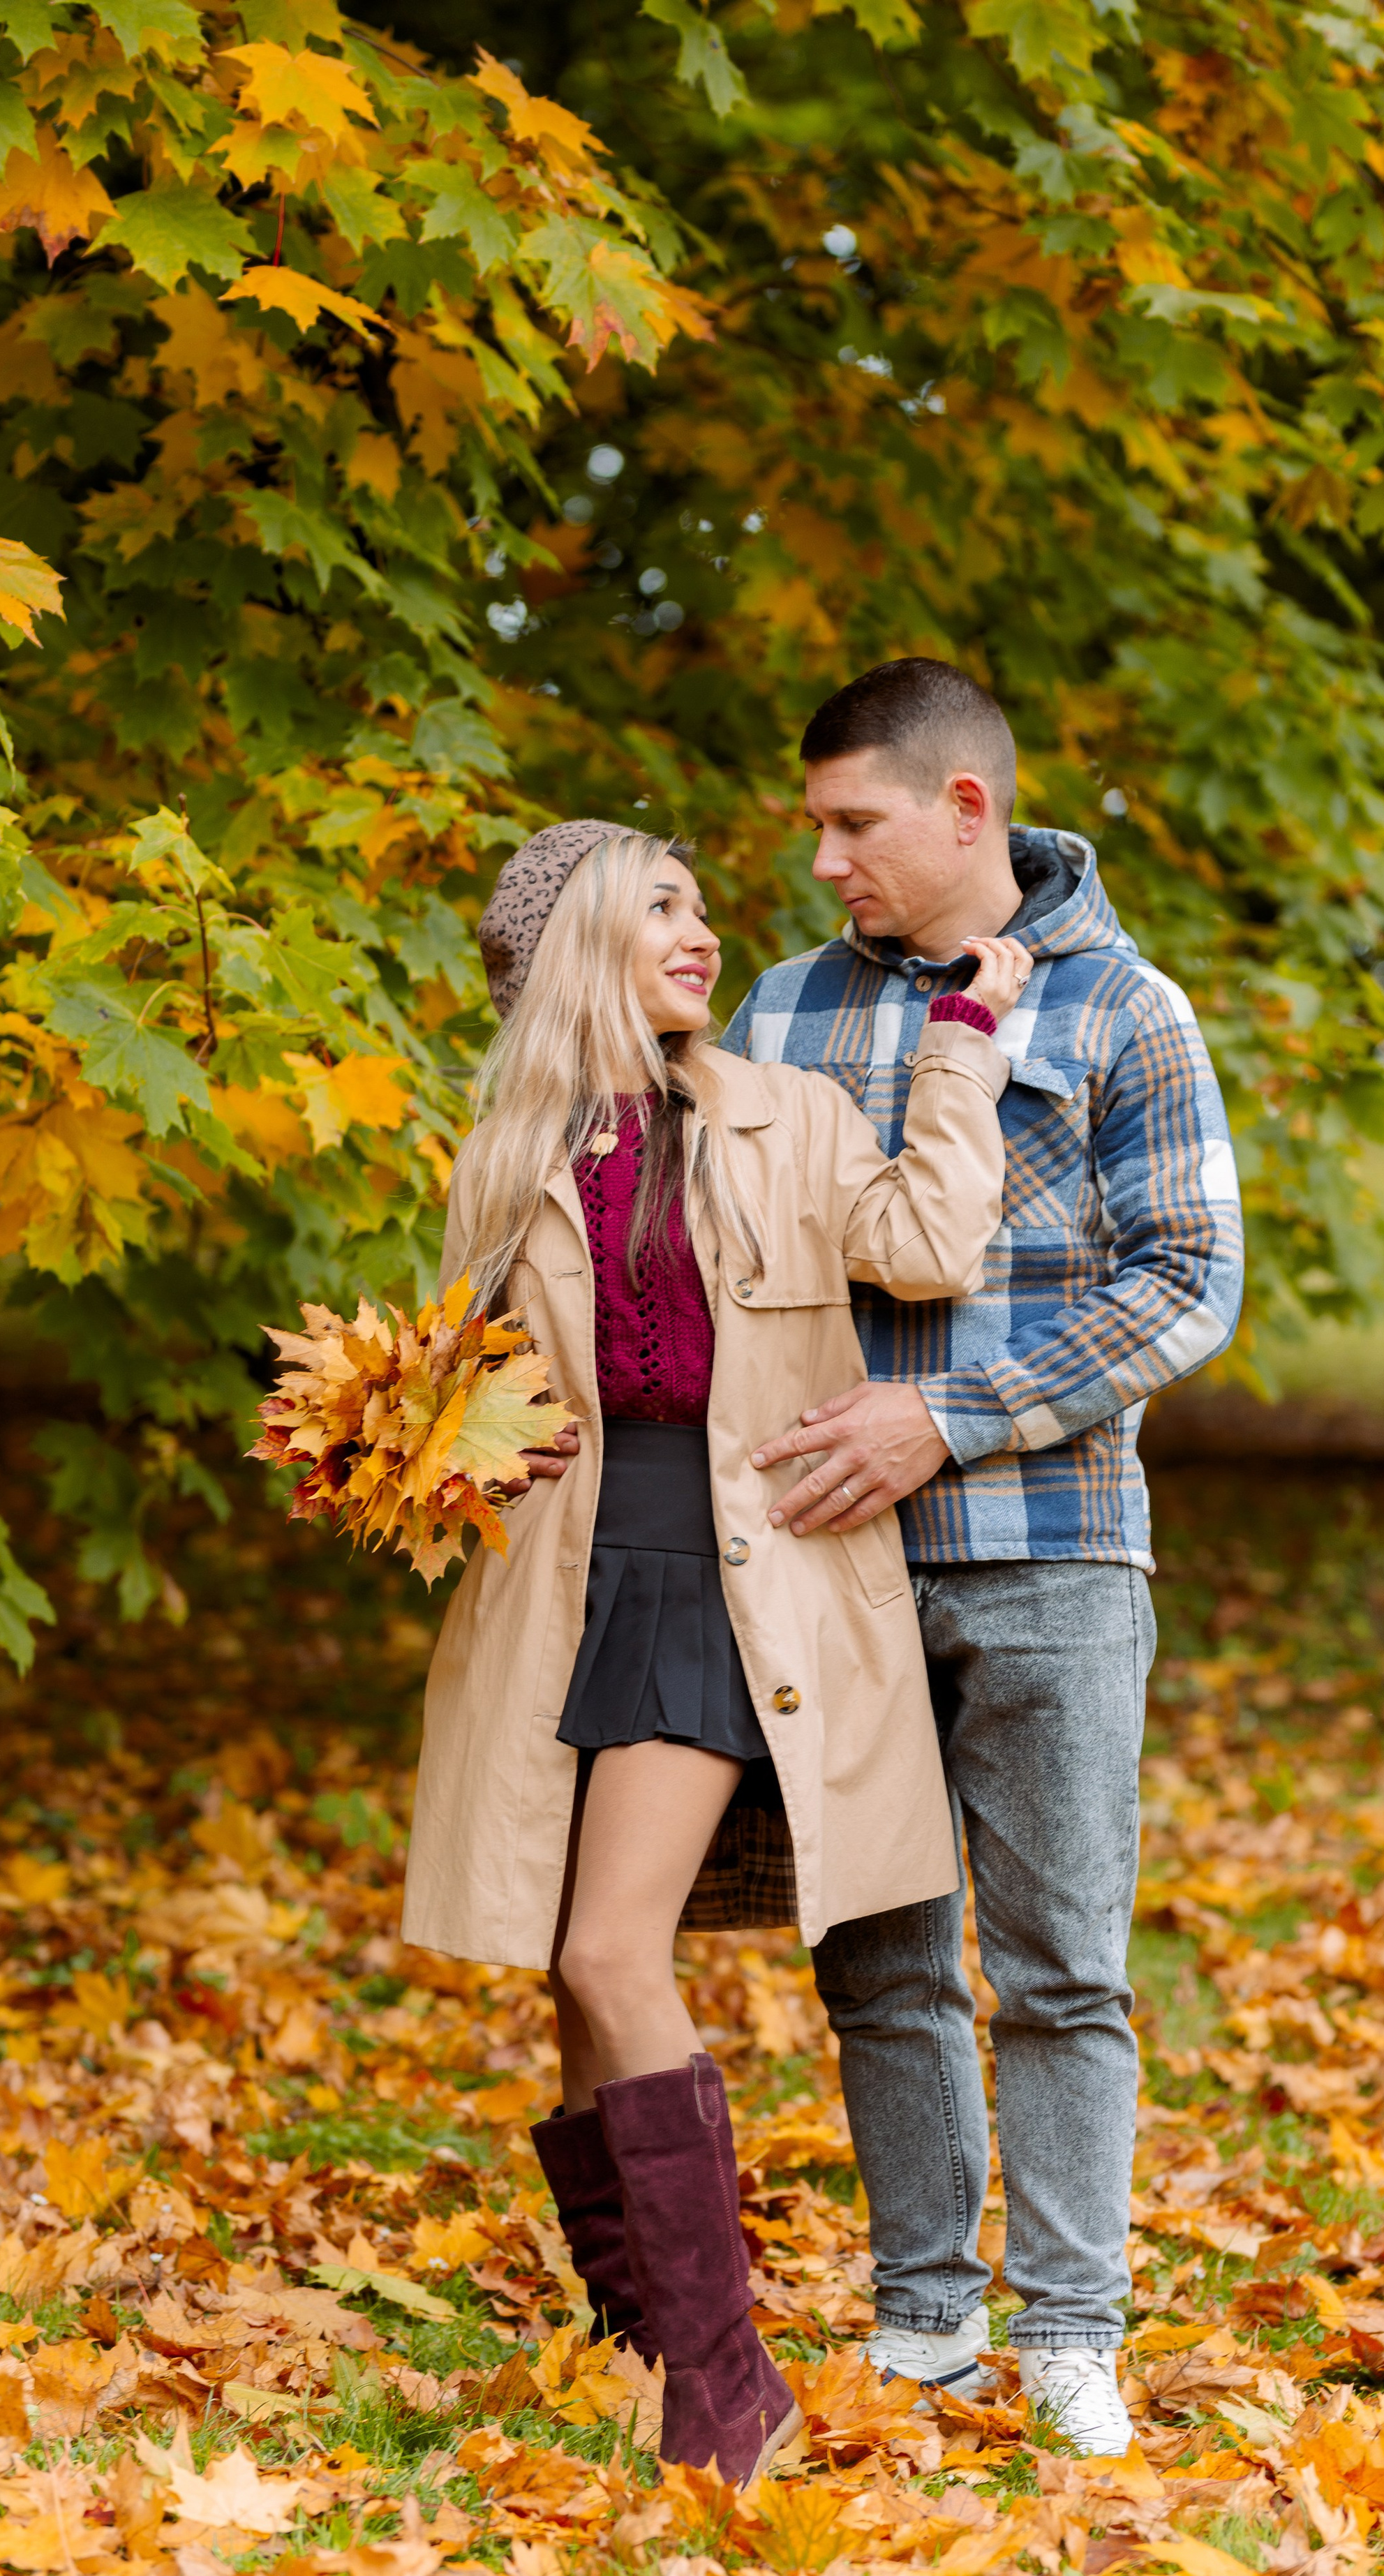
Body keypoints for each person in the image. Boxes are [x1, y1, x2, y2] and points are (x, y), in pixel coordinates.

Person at [401, 819, 1030, 2486]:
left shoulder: (781, 1115)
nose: (699, 934)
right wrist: (450, 1438)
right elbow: (468, 1379)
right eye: (658, 910)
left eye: (696, 906)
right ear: (577, 951)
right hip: (560, 1593)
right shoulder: (511, 1152)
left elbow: (926, 1244)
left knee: (615, 1956)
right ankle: (642, 2335)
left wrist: (959, 1051)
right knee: (563, 1966)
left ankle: (724, 2372)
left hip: (725, 1583)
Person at [723, 660, 1244, 2458]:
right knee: (874, 1953)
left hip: (1050, 1551)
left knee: (1059, 1964)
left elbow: (1188, 1279)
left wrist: (946, 1418)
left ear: (962, 812)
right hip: (825, 1570)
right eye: (812, 825)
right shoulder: (778, 1015)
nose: (821, 863)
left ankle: (1073, 2332)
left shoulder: (1126, 1012)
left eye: (851, 823)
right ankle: (926, 2317)